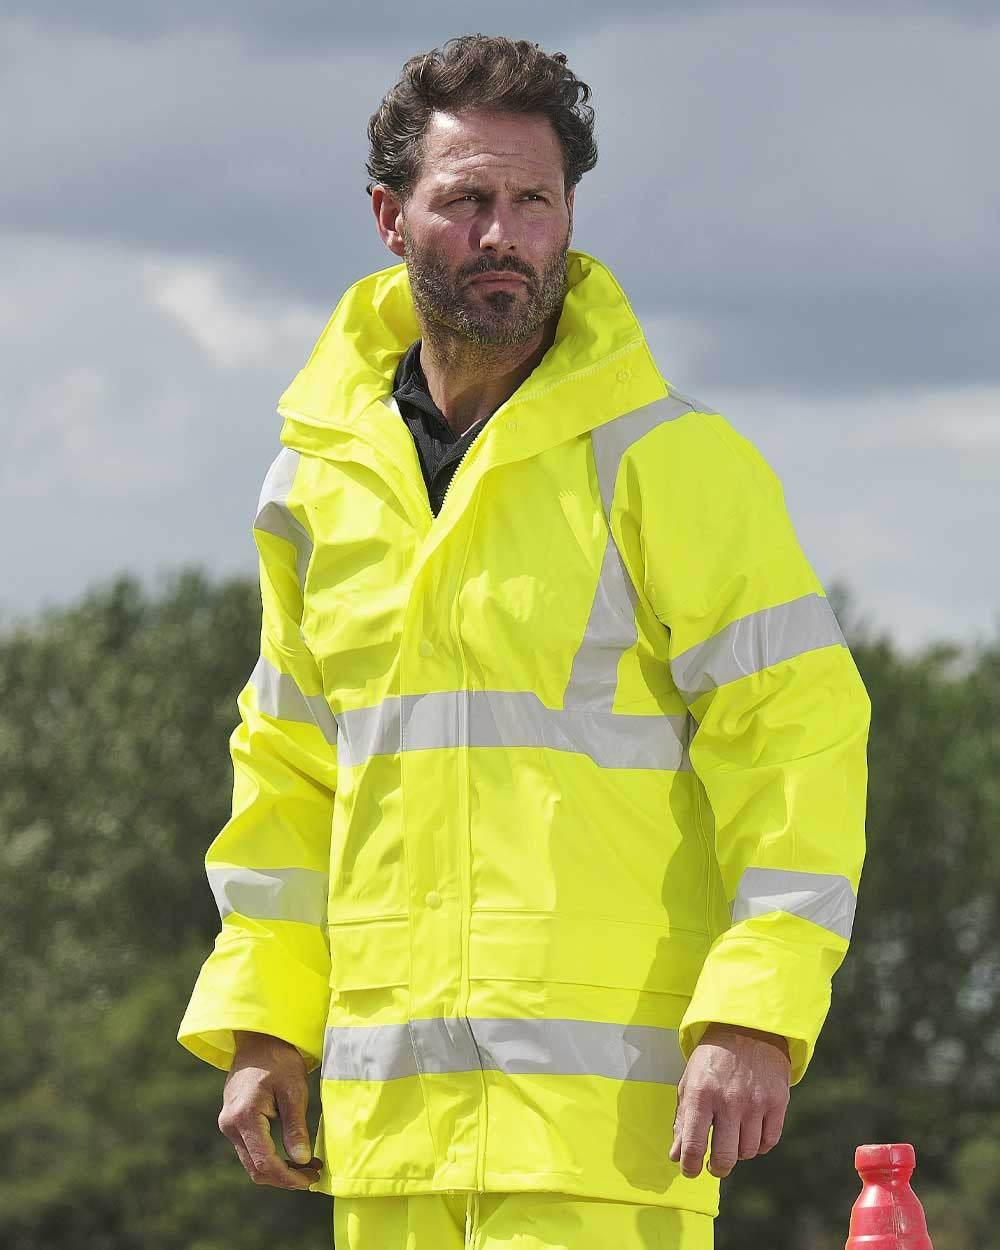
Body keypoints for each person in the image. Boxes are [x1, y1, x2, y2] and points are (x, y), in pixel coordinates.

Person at [177, 33, 871, 1250]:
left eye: (534, 201)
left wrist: (755, 1013)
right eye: (468, 200)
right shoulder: (316, 485)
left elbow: (800, 741)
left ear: (568, 217)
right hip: (386, 1152)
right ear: (390, 217)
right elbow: (287, 773)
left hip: (603, 1146)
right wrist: (265, 1023)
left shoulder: (672, 461)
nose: (504, 235)